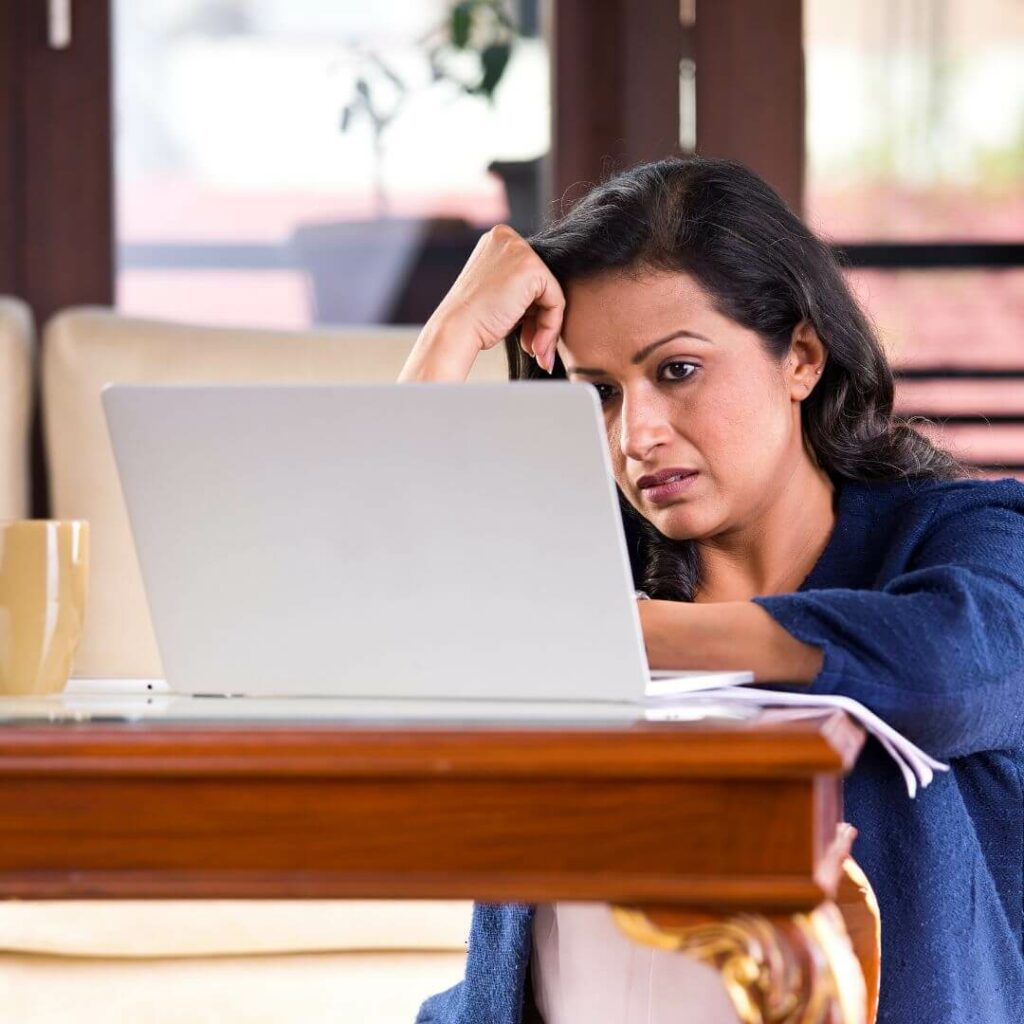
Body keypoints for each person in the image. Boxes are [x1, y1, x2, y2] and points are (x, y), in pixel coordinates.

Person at [398, 157, 1024, 1024]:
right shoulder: (583, 559)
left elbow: (949, 669)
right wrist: (452, 333)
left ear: (800, 356)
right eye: (603, 394)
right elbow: (379, 631)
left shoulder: (969, 534)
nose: (636, 435)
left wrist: (620, 637)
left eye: (677, 371)